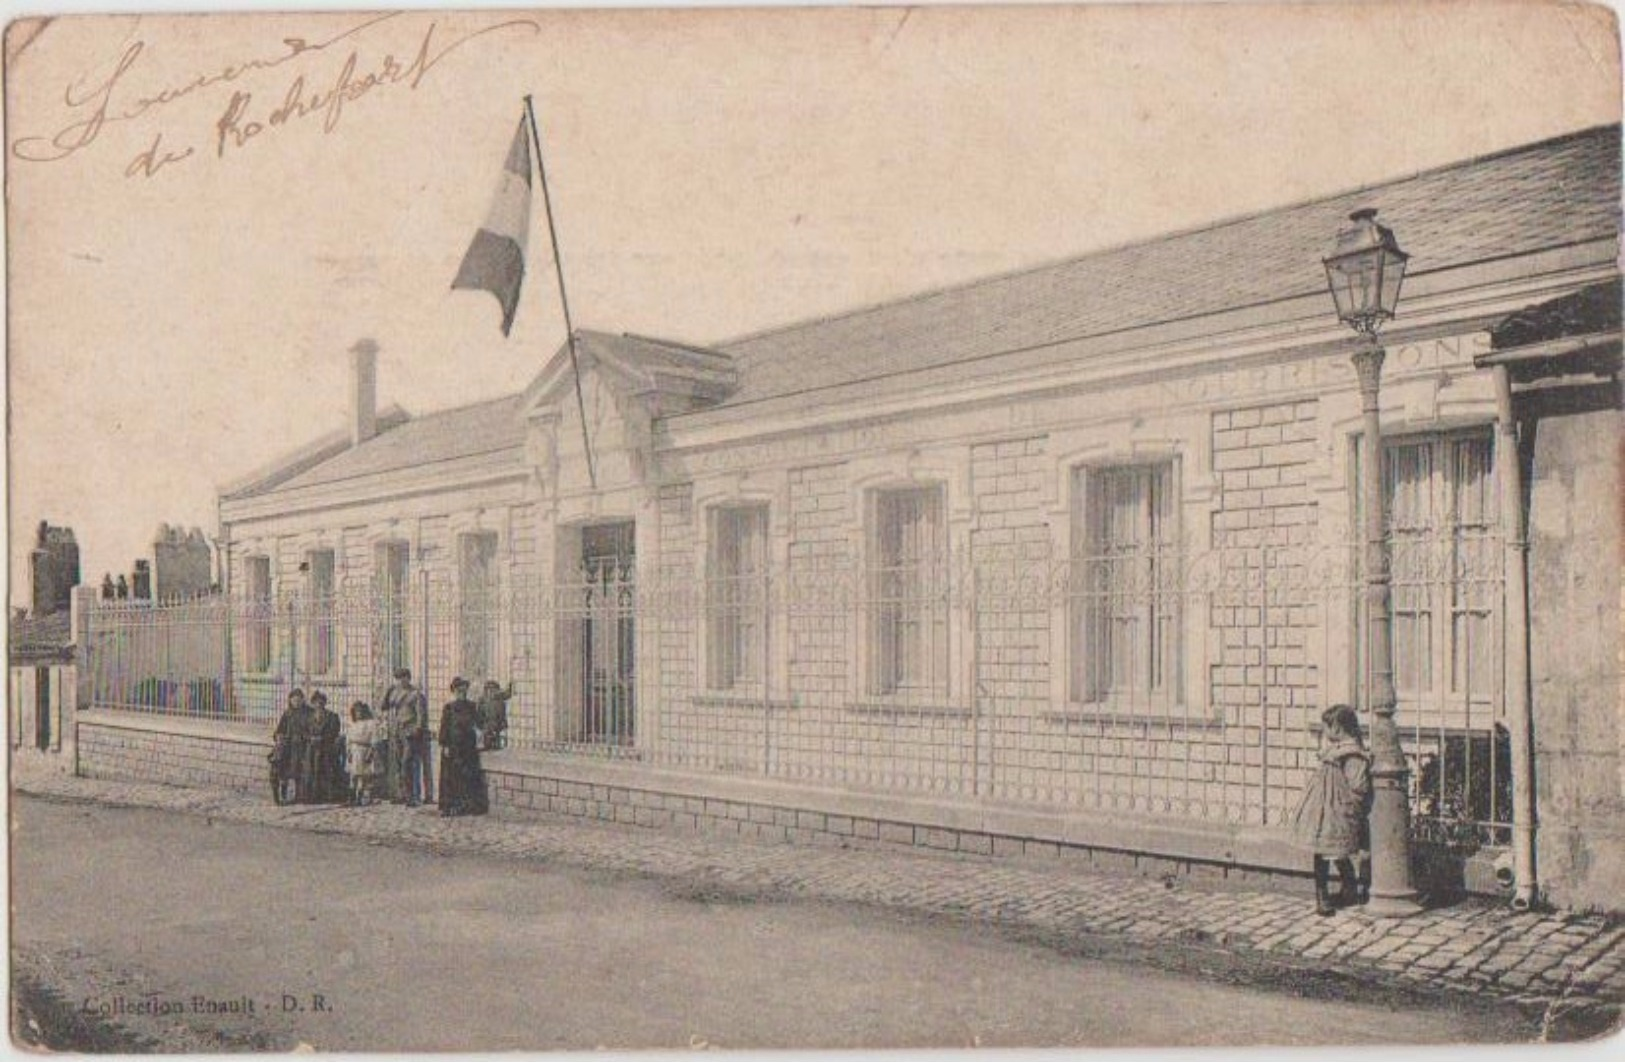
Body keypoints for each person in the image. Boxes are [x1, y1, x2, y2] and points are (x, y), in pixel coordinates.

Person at [1290, 703, 1372, 916]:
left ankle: (1346, 888)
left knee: (1335, 850)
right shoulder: (1333, 752)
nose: (1324, 731)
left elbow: (1358, 786)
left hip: (1338, 812)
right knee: (1325, 850)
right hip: (1324, 811)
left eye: (1326, 727)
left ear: (1337, 728)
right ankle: (1324, 893)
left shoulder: (1352, 754)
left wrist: (1347, 807)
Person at [380, 668, 431, 807]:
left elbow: (421, 714)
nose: (401, 681)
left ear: (408, 678)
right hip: (397, 731)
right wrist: (387, 691)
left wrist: (418, 728)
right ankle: (401, 794)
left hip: (410, 731)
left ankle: (414, 796)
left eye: (403, 677)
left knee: (408, 763)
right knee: (397, 763)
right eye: (398, 678)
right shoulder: (395, 693)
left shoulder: (415, 694)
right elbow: (383, 707)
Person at [438, 677, 487, 817]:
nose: (462, 694)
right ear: (454, 692)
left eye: (464, 691)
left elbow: (479, 723)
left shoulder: (472, 706)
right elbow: (444, 727)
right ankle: (450, 805)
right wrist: (444, 745)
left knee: (468, 777)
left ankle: (467, 805)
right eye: (459, 691)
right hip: (453, 747)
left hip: (468, 748)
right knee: (451, 778)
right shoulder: (449, 707)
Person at [269, 689, 317, 804]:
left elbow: (313, 729)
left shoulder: (309, 713)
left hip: (303, 746)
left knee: (299, 772)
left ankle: (299, 795)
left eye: (299, 699)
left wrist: (307, 737)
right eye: (294, 699)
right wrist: (279, 737)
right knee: (282, 771)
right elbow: (279, 730)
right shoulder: (287, 713)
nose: (296, 701)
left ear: (302, 700)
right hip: (287, 747)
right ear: (290, 700)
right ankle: (282, 794)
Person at [345, 702, 384, 806]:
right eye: (356, 711)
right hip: (354, 750)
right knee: (353, 776)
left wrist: (370, 753)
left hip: (365, 750)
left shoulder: (371, 724)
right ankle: (351, 797)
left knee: (364, 776)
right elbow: (348, 739)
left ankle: (361, 797)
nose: (359, 713)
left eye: (360, 711)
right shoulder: (352, 724)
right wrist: (348, 752)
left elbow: (375, 740)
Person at [310, 691, 345, 803]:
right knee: (314, 772)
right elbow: (304, 731)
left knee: (328, 772)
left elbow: (335, 731)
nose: (318, 705)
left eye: (321, 702)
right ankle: (315, 796)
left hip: (327, 749)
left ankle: (329, 796)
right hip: (312, 750)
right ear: (313, 703)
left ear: (324, 703)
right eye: (316, 702)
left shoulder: (332, 716)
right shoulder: (309, 717)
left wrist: (323, 738)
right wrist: (311, 738)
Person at [476, 680, 513, 751]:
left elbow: (508, 694)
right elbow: (479, 711)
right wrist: (480, 721)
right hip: (487, 721)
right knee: (488, 732)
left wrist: (510, 686)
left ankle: (495, 744)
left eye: (493, 689)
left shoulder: (500, 697)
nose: (491, 691)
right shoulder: (482, 699)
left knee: (496, 732)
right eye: (489, 689)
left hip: (497, 720)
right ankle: (488, 744)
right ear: (486, 690)